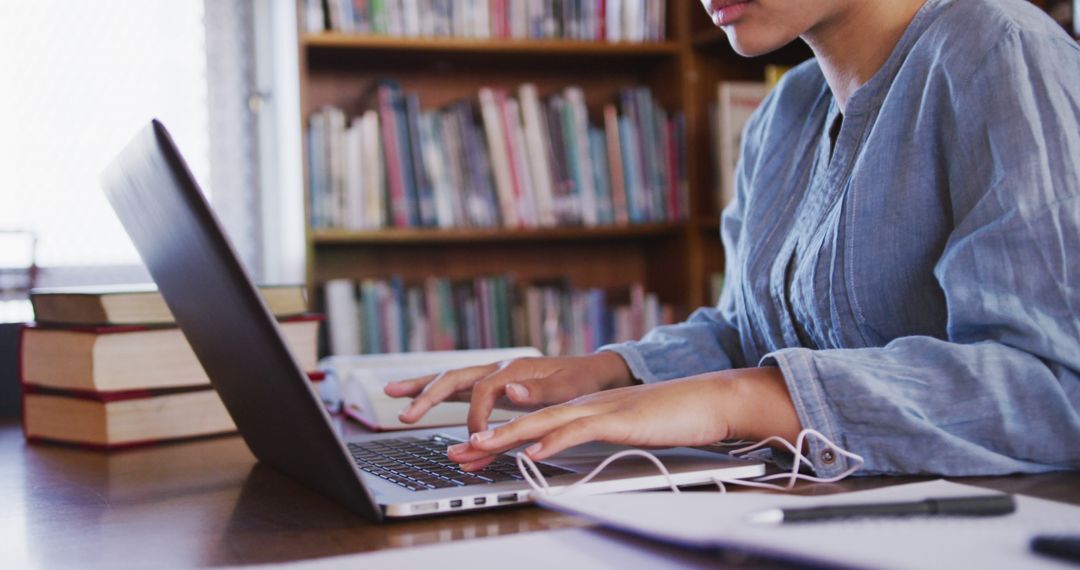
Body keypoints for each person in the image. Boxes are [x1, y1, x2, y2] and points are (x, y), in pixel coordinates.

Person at [385, 0, 1080, 477]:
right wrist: (605, 372)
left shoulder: (1002, 51)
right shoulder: (786, 110)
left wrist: (736, 402)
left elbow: (1056, 389)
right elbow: (748, 333)